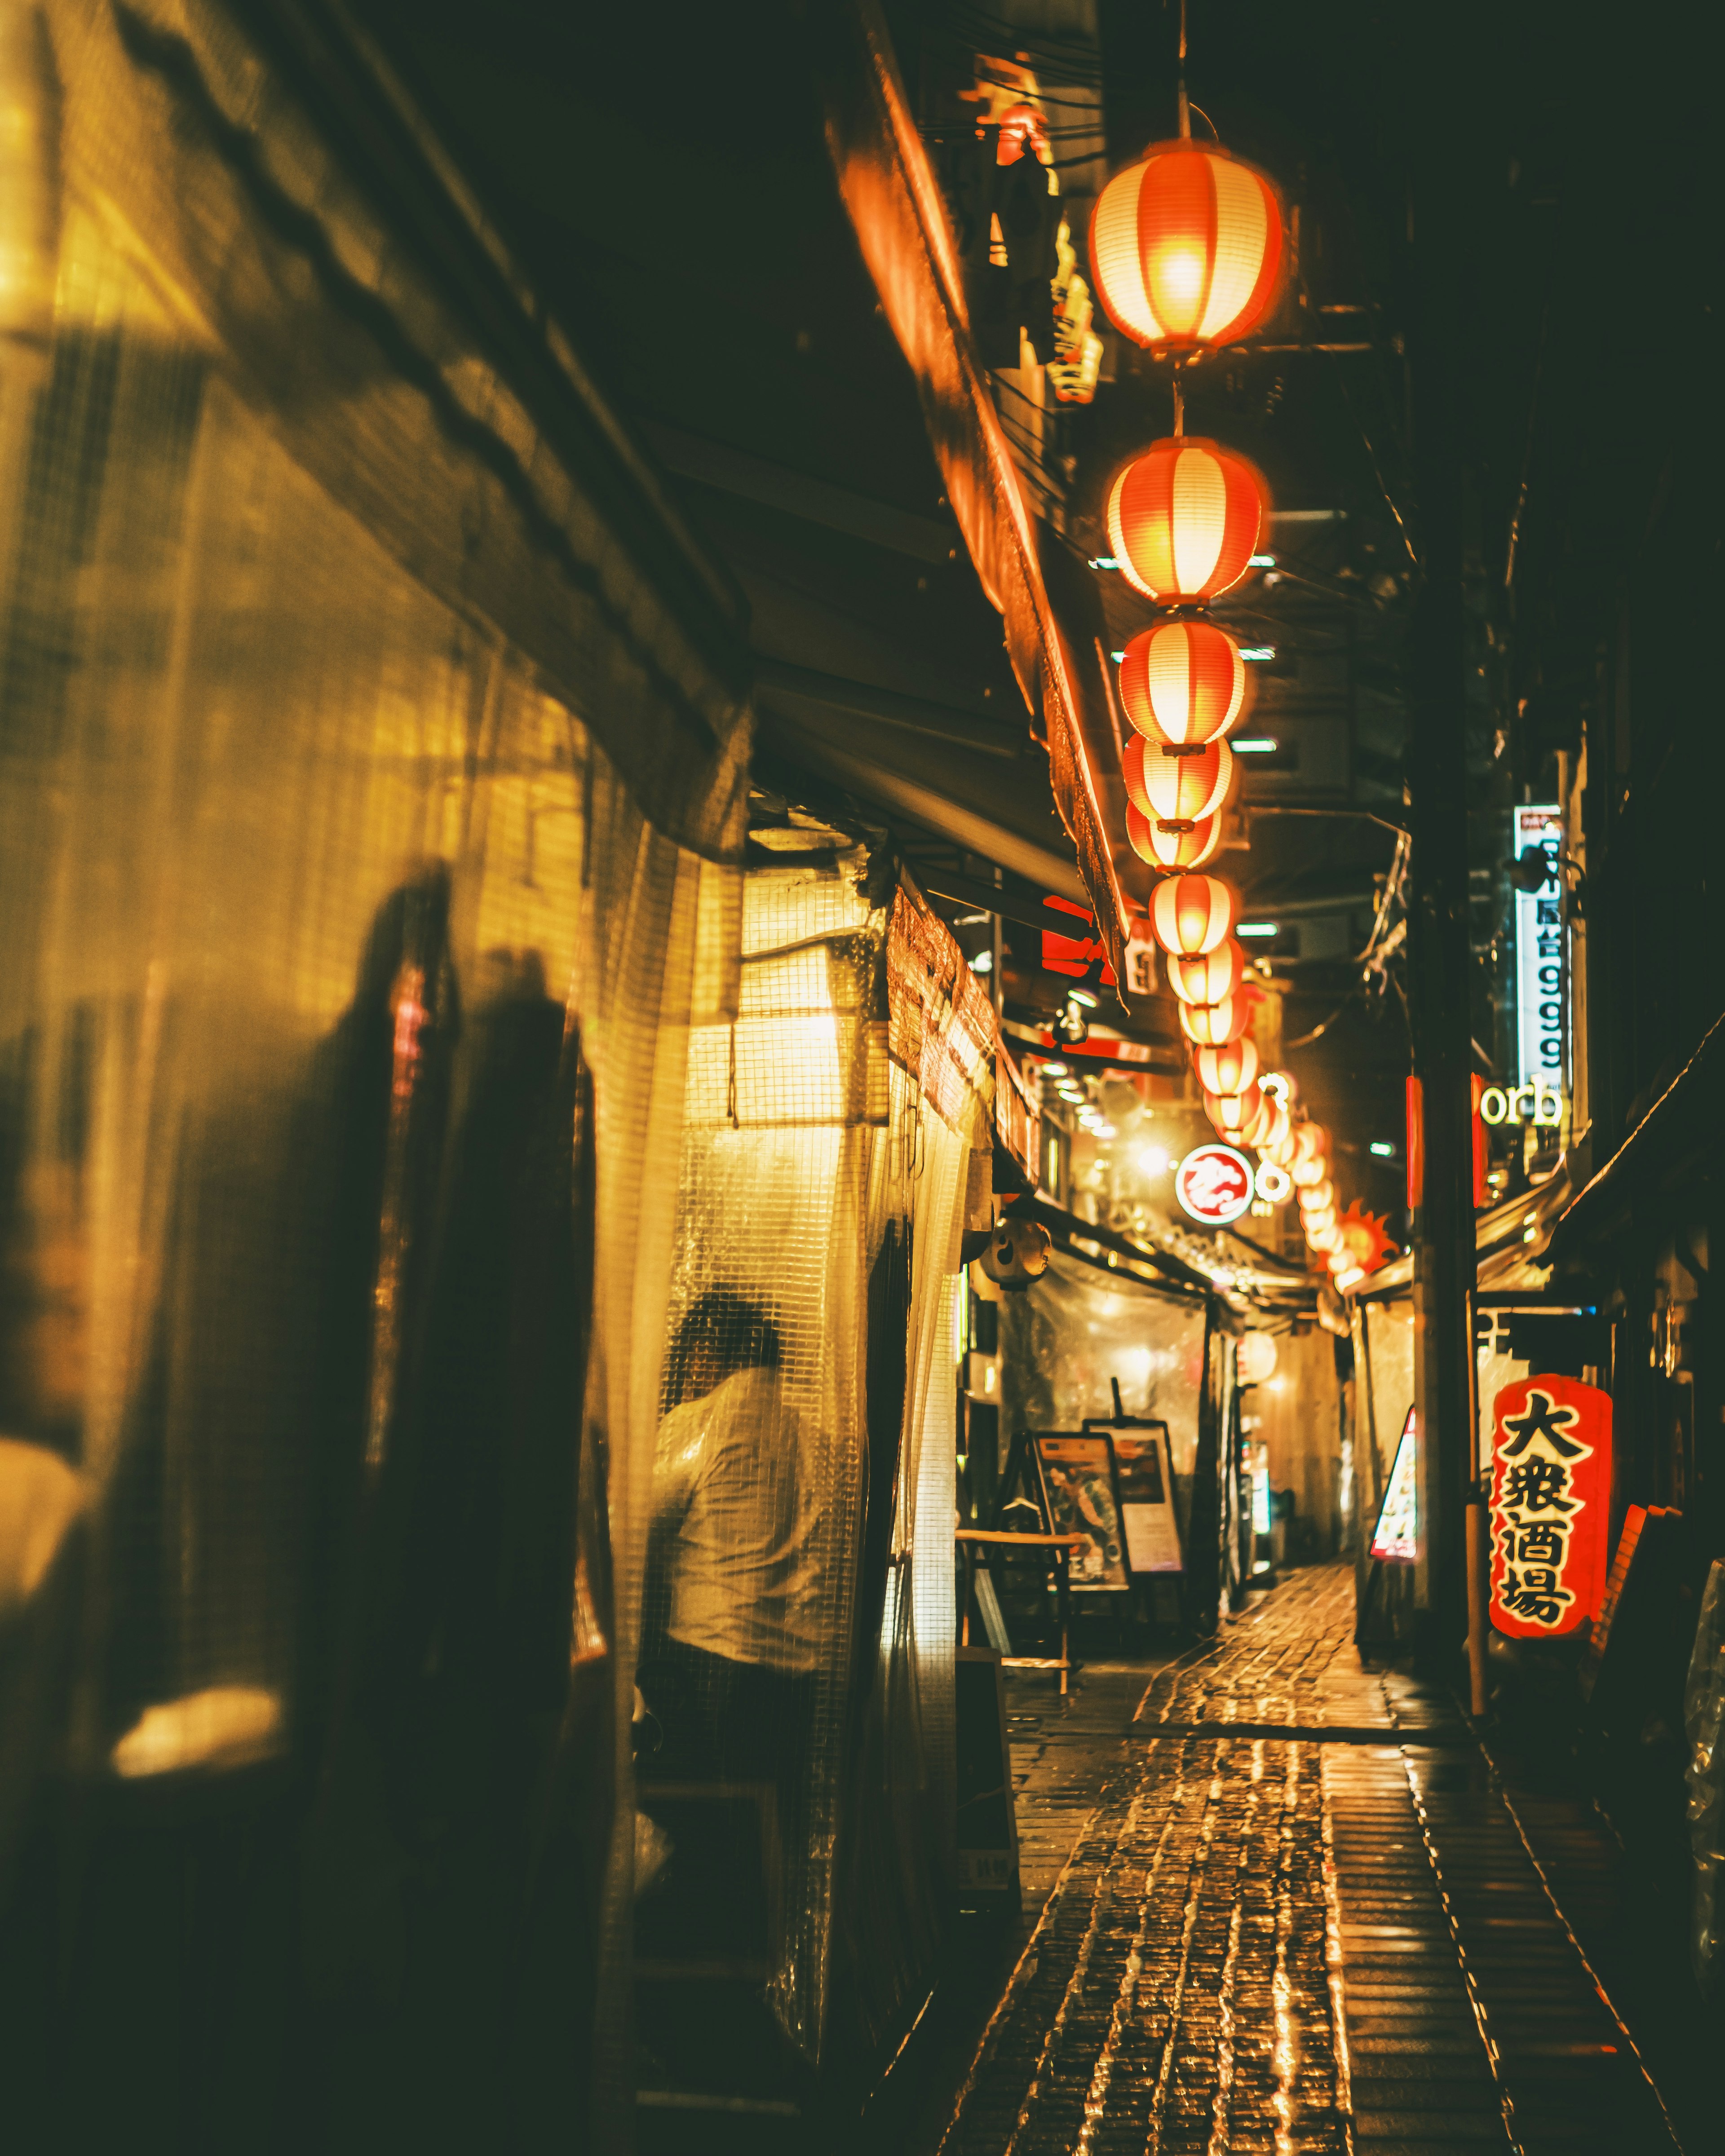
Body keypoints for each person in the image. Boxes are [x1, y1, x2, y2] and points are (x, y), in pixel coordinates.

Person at [639, 1287, 820, 1838]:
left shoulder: (700, 1423)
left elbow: (637, 1524)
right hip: (798, 1668)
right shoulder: (808, 1433)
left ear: (704, 1353)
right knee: (769, 1824)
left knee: (696, 1822)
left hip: (708, 1661)